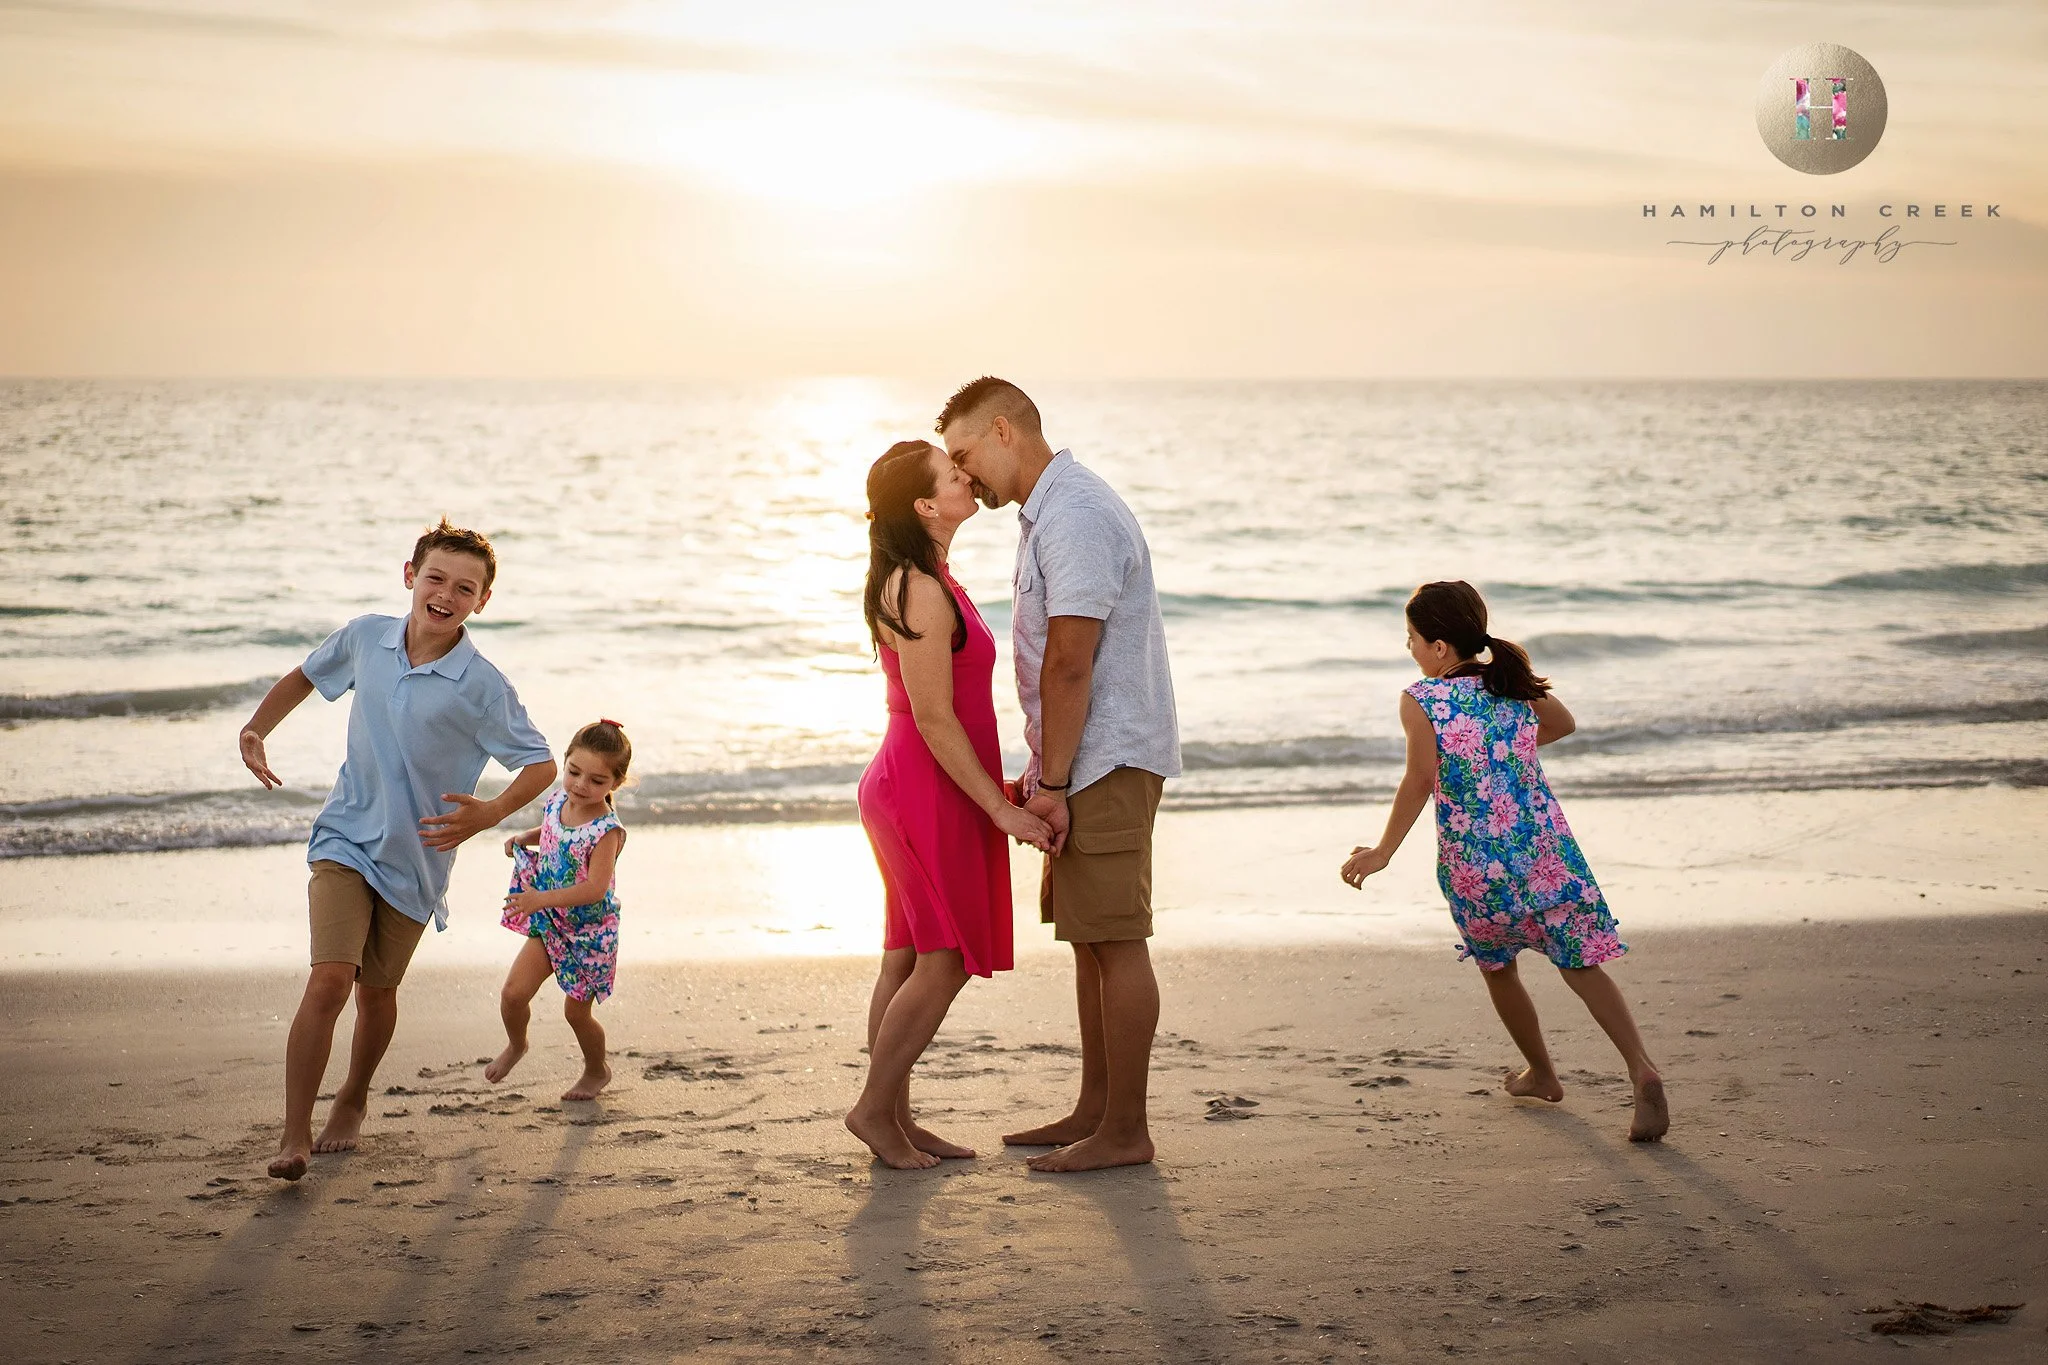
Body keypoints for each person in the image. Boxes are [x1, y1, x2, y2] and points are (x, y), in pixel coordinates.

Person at [237, 518, 557, 1180]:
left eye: (464, 588)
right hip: (345, 835)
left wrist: (490, 813)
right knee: (331, 979)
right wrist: (256, 728)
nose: (446, 594)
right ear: (410, 576)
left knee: (377, 994)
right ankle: (294, 1133)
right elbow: (305, 675)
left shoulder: (482, 685)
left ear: (482, 601)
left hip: (417, 858)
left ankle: (353, 1097)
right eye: (435, 578)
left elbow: (540, 763)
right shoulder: (366, 638)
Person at [939, 377, 1182, 1173]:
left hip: (1105, 757)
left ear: (1002, 430)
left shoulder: (1074, 514)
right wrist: (1046, 766)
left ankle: (1126, 1129)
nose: (962, 474)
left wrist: (1052, 782)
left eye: (963, 454)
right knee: (1089, 938)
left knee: (1116, 939)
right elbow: (1057, 663)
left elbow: (1073, 662)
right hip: (1084, 757)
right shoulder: (1048, 511)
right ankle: (1096, 1107)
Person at [1341, 580, 1669, 1142]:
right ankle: (1641, 1068)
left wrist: (1382, 851)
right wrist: (1503, 748)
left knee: (1499, 967)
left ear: (1439, 646)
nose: (1410, 649)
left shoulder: (1422, 699)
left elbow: (1419, 779)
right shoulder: (1510, 683)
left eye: (1412, 638)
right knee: (1580, 964)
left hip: (1476, 866)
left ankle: (1542, 1073)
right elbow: (1562, 723)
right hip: (1546, 853)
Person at [847, 439, 1054, 1170]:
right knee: (944, 957)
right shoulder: (919, 588)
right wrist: (1001, 810)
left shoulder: (930, 577)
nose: (965, 476)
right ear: (926, 506)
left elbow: (949, 712)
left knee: (907, 955)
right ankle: (875, 1110)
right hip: (920, 787)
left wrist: (999, 787)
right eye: (951, 473)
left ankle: (895, 1120)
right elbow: (934, 716)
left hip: (925, 781)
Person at [484, 719, 631, 1102]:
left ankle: (597, 1070)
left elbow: (595, 889)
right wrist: (525, 837)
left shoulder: (607, 831)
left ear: (616, 783)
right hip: (551, 924)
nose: (580, 785)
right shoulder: (558, 800)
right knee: (513, 994)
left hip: (589, 936)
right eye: (574, 772)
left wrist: (539, 899)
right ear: (565, 762)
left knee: (576, 1014)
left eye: (597, 780)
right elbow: (552, 830)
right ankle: (517, 1044)